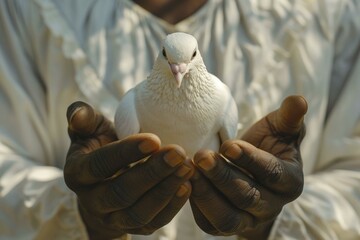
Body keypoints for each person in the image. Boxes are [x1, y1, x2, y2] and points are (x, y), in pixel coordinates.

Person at [0, 0, 359, 239]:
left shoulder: (330, 9)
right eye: (171, 62)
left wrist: (270, 223)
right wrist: (84, 217)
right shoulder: (28, 8)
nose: (178, 71)